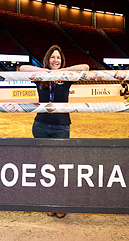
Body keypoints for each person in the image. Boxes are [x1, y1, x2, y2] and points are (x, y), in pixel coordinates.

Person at [20, 44, 89, 219]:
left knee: (60, 166)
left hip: (61, 126)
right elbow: (22, 68)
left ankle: (61, 202)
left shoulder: (67, 77)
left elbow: (85, 67)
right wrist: (45, 72)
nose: (55, 60)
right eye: (52, 57)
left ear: (62, 60)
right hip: (41, 125)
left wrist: (62, 71)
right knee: (44, 166)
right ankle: (49, 202)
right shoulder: (40, 77)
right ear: (47, 60)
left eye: (58, 57)